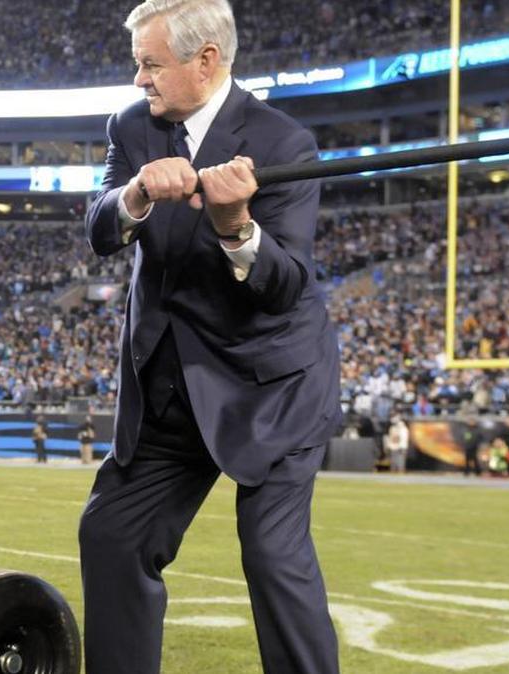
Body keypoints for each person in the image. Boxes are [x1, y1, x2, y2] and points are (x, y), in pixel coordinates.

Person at [77, 1, 341, 672]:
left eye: (150, 64)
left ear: (206, 62)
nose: (139, 79)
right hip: (169, 387)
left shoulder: (283, 143)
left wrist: (236, 226)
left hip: (271, 388)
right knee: (112, 535)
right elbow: (100, 225)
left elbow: (285, 285)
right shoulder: (134, 128)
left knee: (272, 556)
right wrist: (135, 194)